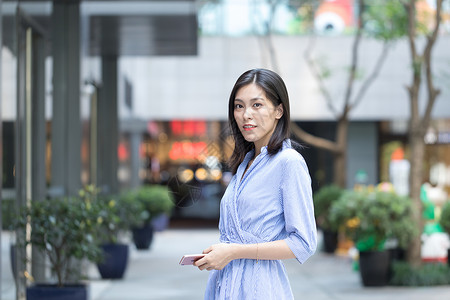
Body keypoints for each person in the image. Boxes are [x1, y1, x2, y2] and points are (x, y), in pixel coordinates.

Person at [193, 68, 317, 299]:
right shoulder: (245, 164)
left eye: (257, 105)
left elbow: (304, 243)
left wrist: (234, 252)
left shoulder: (288, 163)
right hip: (225, 283)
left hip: (259, 288)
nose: (246, 114)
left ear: (279, 110)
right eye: (239, 106)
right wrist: (219, 254)